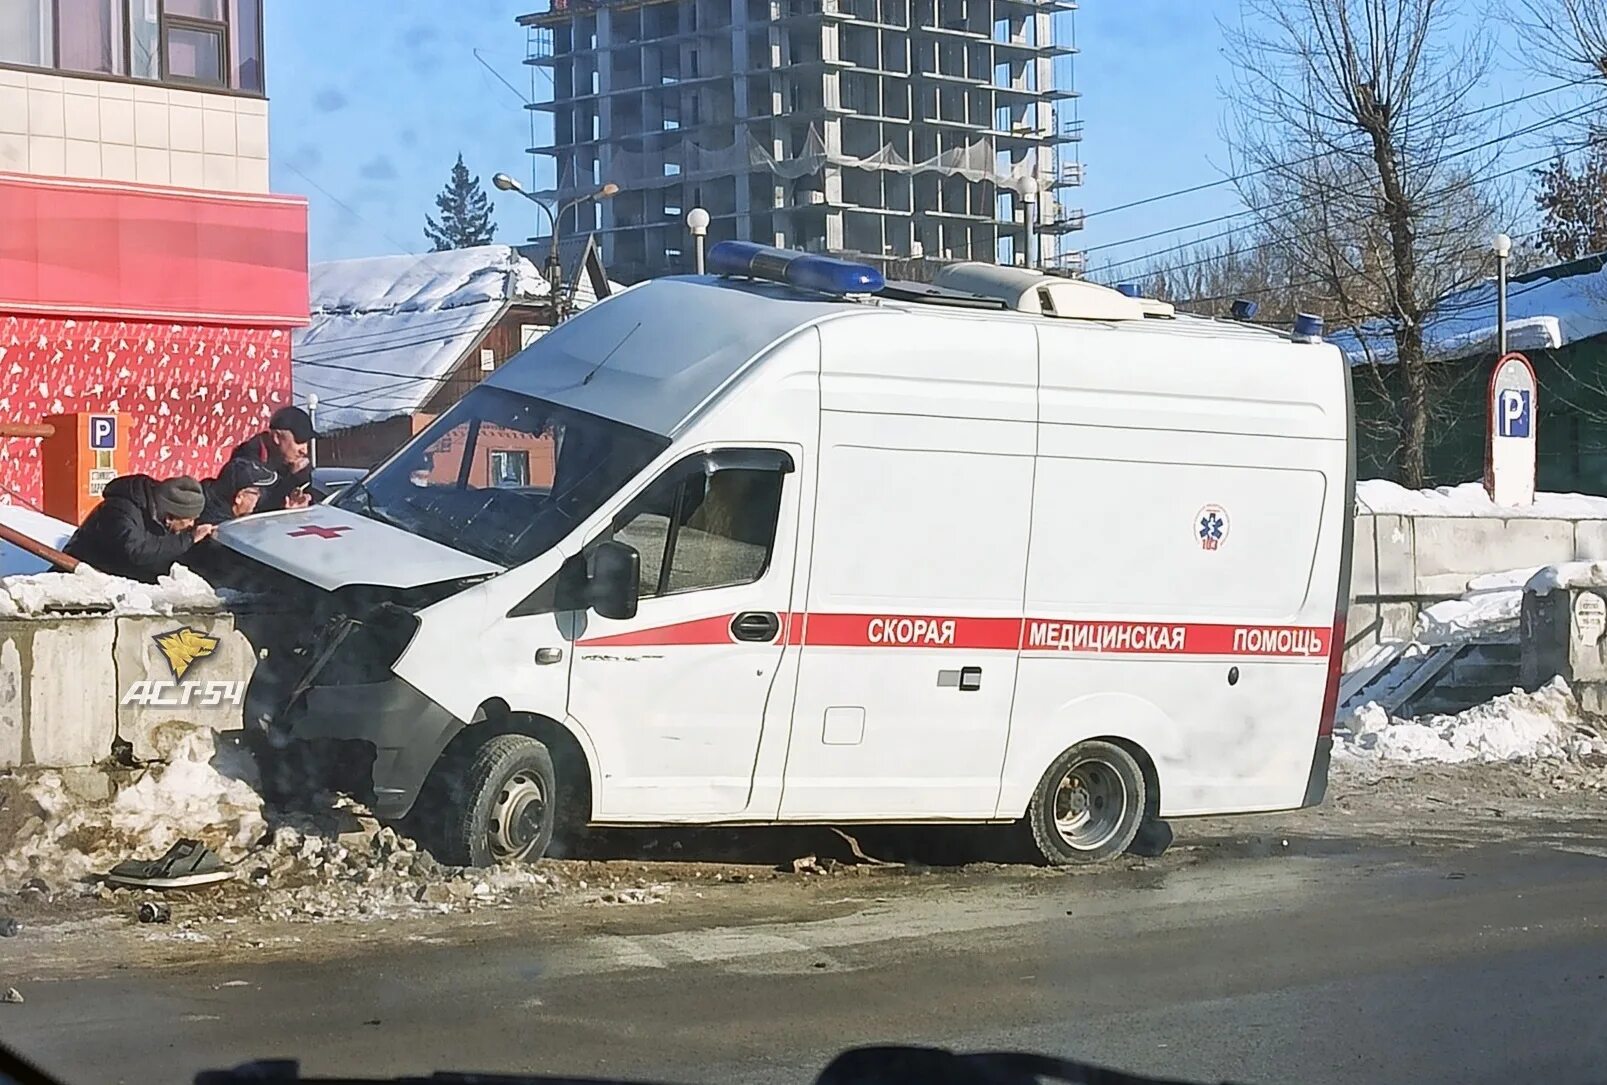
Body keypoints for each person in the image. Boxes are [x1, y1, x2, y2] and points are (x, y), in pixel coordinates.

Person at [63, 474, 215, 583]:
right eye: (189, 520)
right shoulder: (120, 511)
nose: (191, 525)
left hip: (115, 580)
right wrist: (189, 539)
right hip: (76, 581)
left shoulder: (156, 512)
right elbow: (135, 552)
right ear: (170, 517)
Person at [229, 405, 316, 512]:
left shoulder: (295, 466)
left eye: (306, 442)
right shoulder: (245, 463)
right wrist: (291, 481)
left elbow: (309, 501)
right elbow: (253, 509)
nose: (304, 451)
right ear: (277, 437)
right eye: (299, 441)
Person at [200, 458, 279, 525]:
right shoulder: (221, 532)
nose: (259, 497)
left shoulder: (211, 495)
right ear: (239, 497)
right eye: (257, 492)